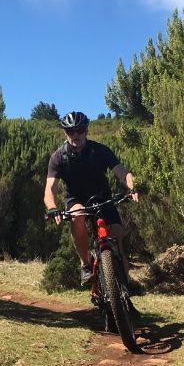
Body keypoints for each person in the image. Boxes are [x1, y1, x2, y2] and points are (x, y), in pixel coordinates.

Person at [43, 110, 139, 285]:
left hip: (103, 198)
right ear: (65, 133)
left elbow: (122, 173)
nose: (76, 135)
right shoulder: (58, 157)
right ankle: (86, 264)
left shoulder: (100, 150)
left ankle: (125, 291)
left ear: (86, 130)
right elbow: (50, 189)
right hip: (76, 199)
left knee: (117, 239)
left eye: (80, 130)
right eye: (71, 131)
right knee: (77, 216)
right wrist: (52, 207)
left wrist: (133, 188)